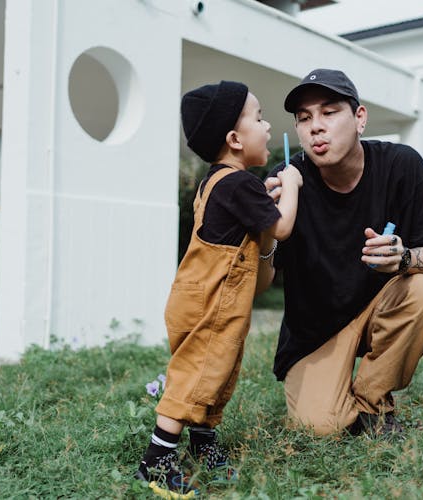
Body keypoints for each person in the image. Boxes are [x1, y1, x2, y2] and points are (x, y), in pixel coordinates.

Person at [261, 68, 423, 437]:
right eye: (304, 118)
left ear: (359, 118)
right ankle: (334, 397)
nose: (316, 127)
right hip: (314, 334)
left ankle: (370, 401)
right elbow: (262, 284)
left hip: (380, 308)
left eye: (329, 112)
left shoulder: (402, 165)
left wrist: (406, 258)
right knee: (320, 427)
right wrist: (265, 234)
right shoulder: (287, 182)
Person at [134, 80, 303, 498]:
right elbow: (281, 226)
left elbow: (253, 231)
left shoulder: (219, 182)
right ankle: (156, 461)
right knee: (195, 377)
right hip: (214, 303)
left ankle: (203, 445)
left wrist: (264, 199)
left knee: (217, 373)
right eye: (259, 118)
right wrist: (293, 187)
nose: (267, 127)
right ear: (234, 138)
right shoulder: (239, 183)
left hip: (200, 298)